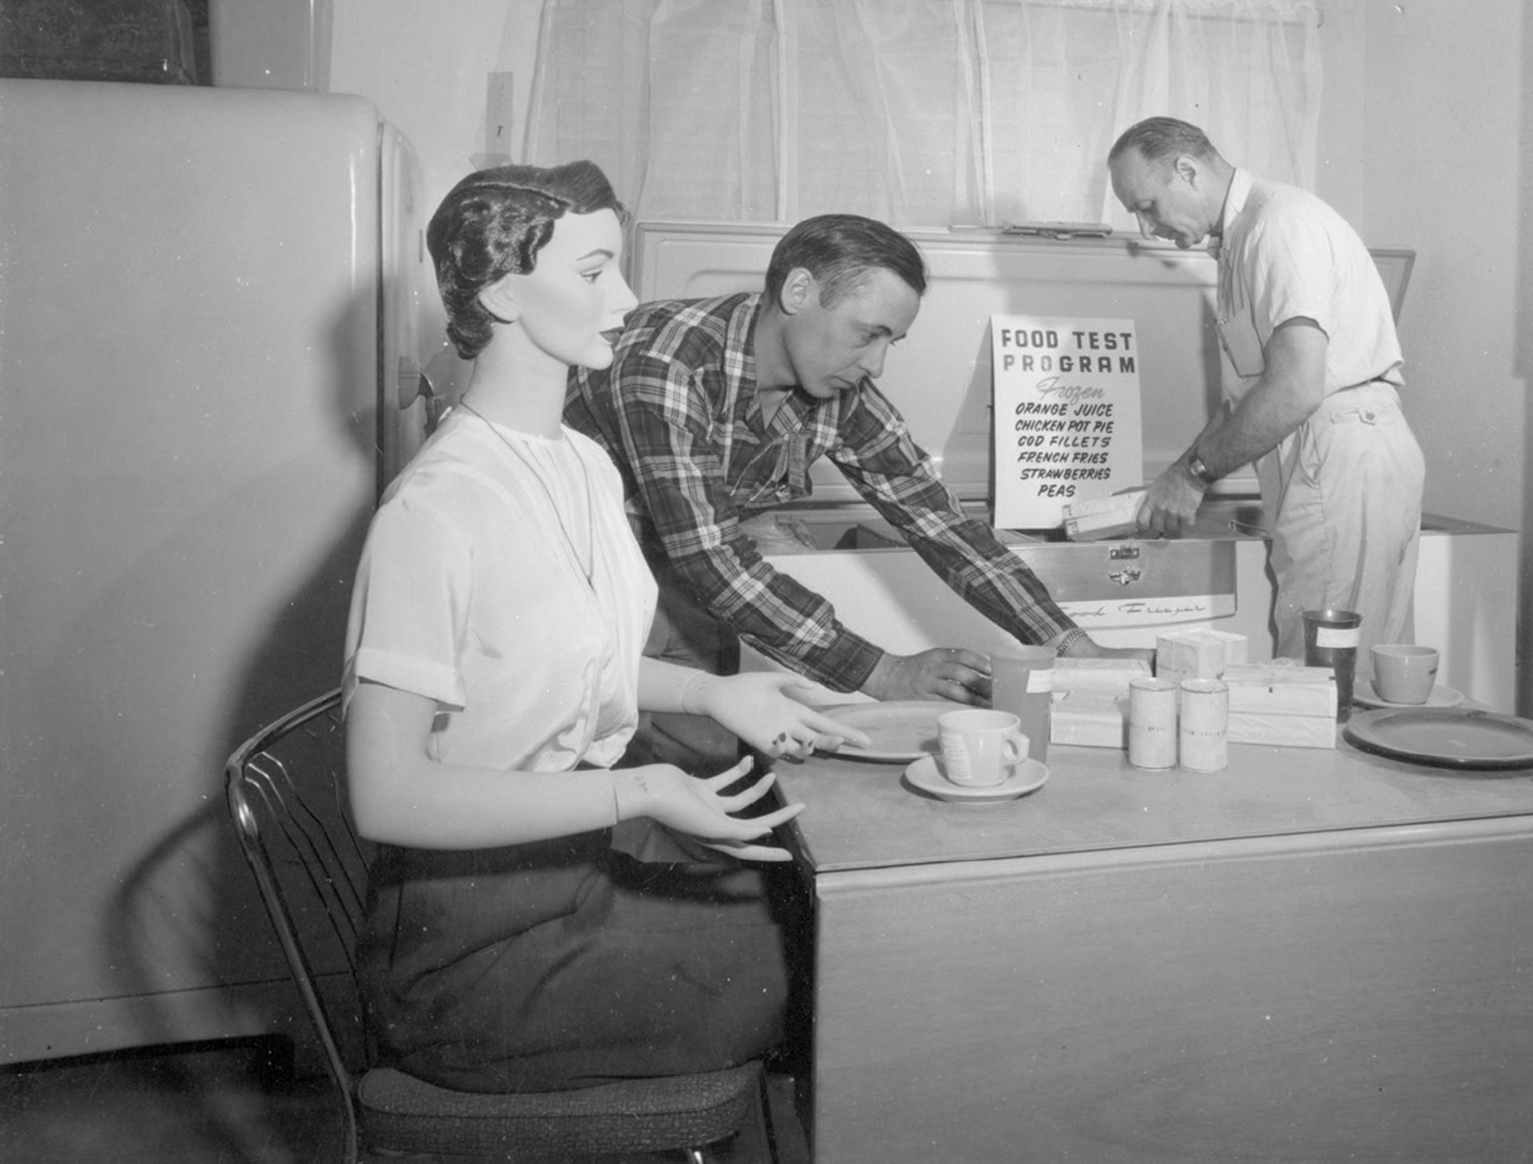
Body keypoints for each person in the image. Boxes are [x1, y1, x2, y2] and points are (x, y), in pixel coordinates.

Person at [342, 161, 866, 1092]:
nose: (626, 299)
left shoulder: (581, 461)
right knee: (835, 975)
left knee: (821, 916)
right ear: (503, 291)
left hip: (573, 877)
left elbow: (577, 659)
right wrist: (641, 791)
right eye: (593, 273)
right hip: (469, 951)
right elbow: (384, 795)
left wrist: (711, 689)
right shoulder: (434, 508)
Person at [566, 213, 1143, 705]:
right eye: (868, 334)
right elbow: (712, 560)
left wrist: (1074, 647)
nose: (878, 365)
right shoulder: (666, 363)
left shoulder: (835, 387)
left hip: (678, 578)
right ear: (798, 292)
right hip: (583, 584)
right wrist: (884, 672)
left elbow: (944, 525)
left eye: (892, 341)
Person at [1106, 118, 1425, 663]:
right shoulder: (1243, 238)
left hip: (1337, 446)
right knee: (1350, 667)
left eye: (1148, 206)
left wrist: (1194, 474)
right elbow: (1249, 399)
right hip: (1332, 449)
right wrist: (1179, 474)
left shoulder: (1279, 225)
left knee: (1325, 676)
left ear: (1187, 170)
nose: (1144, 228)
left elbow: (1297, 389)